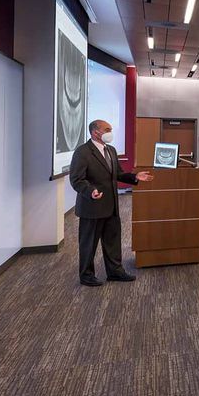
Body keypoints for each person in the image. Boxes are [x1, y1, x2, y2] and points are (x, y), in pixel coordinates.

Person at [69, 119, 153, 286]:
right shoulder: (83, 152)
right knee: (88, 243)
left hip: (111, 206)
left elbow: (118, 174)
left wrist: (134, 176)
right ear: (95, 132)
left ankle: (115, 272)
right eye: (107, 129)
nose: (110, 133)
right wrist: (90, 190)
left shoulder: (111, 151)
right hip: (91, 207)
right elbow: (76, 179)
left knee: (113, 241)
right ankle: (86, 275)